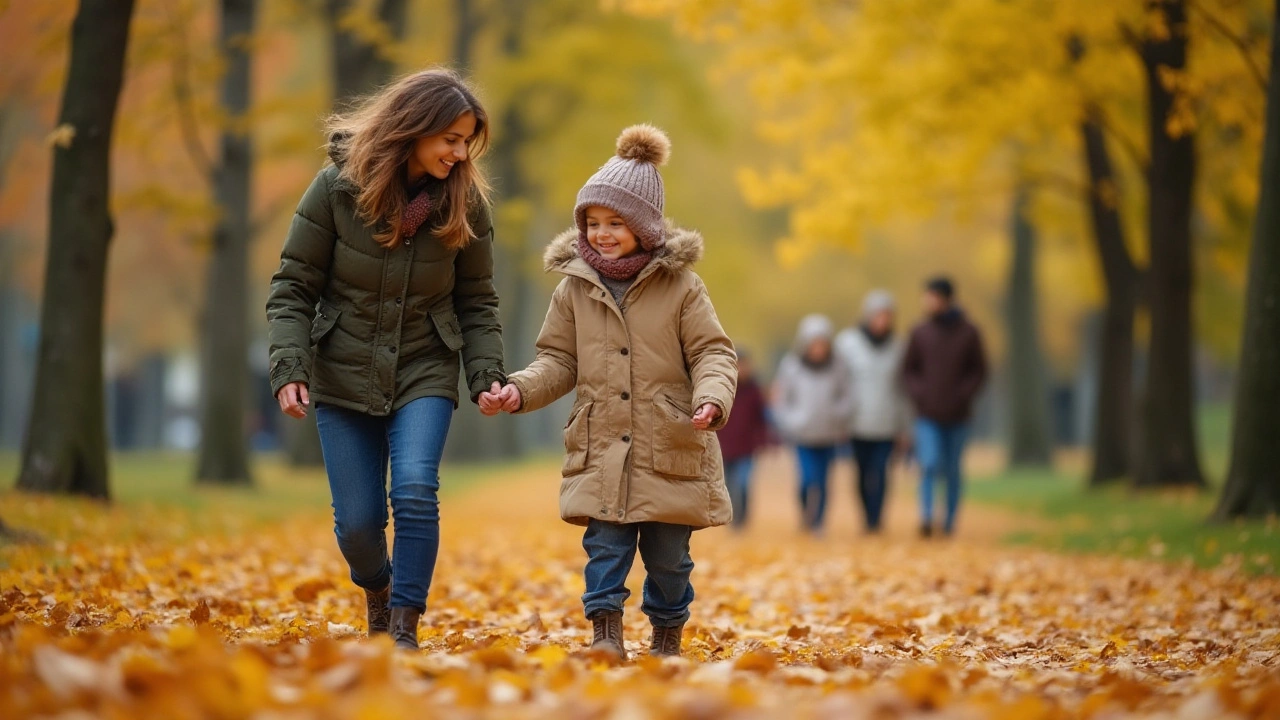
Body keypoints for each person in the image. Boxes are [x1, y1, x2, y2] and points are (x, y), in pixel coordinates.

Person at [265, 69, 506, 651]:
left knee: (417, 488)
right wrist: (290, 367)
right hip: (342, 371)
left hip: (425, 367)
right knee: (358, 527)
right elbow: (293, 286)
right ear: (414, 127)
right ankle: (377, 586)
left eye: (466, 140)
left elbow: (477, 302)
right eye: (450, 137)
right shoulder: (335, 189)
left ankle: (403, 624)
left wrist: (486, 375)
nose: (458, 152)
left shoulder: (464, 204)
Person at [479, 125, 736, 661]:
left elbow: (713, 352)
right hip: (602, 448)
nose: (601, 234)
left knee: (669, 560)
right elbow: (558, 359)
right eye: (592, 223)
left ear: (644, 227)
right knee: (603, 549)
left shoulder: (682, 287)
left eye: (615, 223)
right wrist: (519, 391)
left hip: (670, 443)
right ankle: (605, 635)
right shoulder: (574, 288)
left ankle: (666, 634)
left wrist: (711, 398)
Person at [902, 277, 988, 538]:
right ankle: (926, 517)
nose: (927, 301)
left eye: (932, 296)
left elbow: (979, 370)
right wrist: (920, 394)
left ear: (946, 299)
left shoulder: (969, 332)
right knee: (928, 464)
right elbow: (908, 370)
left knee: (952, 469)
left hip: (958, 415)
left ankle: (949, 521)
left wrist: (964, 394)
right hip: (927, 414)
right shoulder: (919, 332)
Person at [835, 290, 911, 534]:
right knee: (860, 473)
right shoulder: (847, 343)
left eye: (887, 315)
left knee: (881, 472)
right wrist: (840, 421)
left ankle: (876, 520)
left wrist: (904, 426)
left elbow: (903, 390)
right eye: (878, 315)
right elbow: (838, 383)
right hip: (857, 422)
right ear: (867, 315)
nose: (882, 321)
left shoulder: (900, 347)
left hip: (887, 423)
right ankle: (866, 515)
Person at [772, 314, 853, 535]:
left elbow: (846, 395)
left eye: (822, 344)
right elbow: (781, 399)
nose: (818, 349)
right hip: (803, 435)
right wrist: (790, 421)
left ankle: (819, 522)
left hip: (829, 434)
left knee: (825, 481)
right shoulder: (791, 366)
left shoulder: (838, 366)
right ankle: (806, 514)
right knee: (808, 479)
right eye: (814, 344)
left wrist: (839, 415)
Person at [716, 349, 772, 530]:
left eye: (744, 364)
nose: (741, 369)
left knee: (743, 483)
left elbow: (762, 419)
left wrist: (763, 441)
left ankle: (742, 518)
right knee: (729, 485)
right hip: (724, 446)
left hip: (747, 448)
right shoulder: (721, 387)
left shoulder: (755, 390)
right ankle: (734, 518)